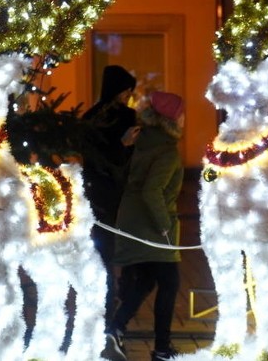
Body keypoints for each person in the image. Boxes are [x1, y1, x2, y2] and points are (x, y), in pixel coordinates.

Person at [103, 91, 185, 361]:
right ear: (171, 119)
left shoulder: (144, 141)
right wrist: (164, 227)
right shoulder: (167, 150)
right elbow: (153, 191)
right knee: (170, 282)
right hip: (152, 226)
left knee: (148, 280)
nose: (185, 118)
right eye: (181, 113)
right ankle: (162, 348)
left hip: (134, 220)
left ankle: (116, 328)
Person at [82, 65, 140, 321]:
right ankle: (110, 310)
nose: (129, 96)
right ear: (121, 91)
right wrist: (124, 145)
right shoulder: (126, 117)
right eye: (128, 91)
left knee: (98, 250)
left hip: (91, 190)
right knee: (114, 251)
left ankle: (97, 304)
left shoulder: (89, 116)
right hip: (117, 192)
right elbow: (121, 158)